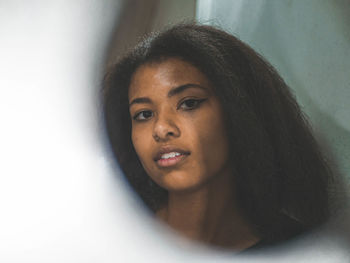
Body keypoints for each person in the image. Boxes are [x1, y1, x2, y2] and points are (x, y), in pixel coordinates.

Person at [103, 23, 332, 251]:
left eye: (189, 103)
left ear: (240, 110)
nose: (161, 129)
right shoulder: (104, 237)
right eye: (144, 114)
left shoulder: (305, 250)